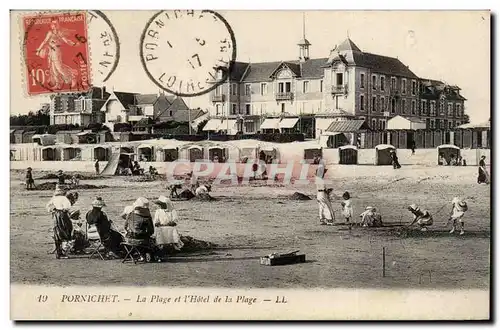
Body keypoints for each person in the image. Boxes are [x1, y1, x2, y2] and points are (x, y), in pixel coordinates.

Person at [35, 20, 79, 89]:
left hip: (56, 51)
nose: (54, 26)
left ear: (58, 25)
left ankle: (72, 77)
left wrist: (74, 44)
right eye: (53, 24)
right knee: (53, 68)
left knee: (59, 67)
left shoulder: (60, 33)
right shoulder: (50, 33)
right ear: (51, 26)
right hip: (50, 51)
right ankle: (58, 83)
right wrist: (39, 49)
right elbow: (44, 41)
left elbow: (66, 40)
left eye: (56, 24)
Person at [46, 184, 73, 259]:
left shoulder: (54, 198)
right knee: (67, 229)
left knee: (57, 232)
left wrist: (51, 210)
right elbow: (67, 207)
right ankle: (64, 250)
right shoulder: (64, 198)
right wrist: (65, 209)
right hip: (62, 215)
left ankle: (59, 252)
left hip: (56, 215)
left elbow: (48, 205)